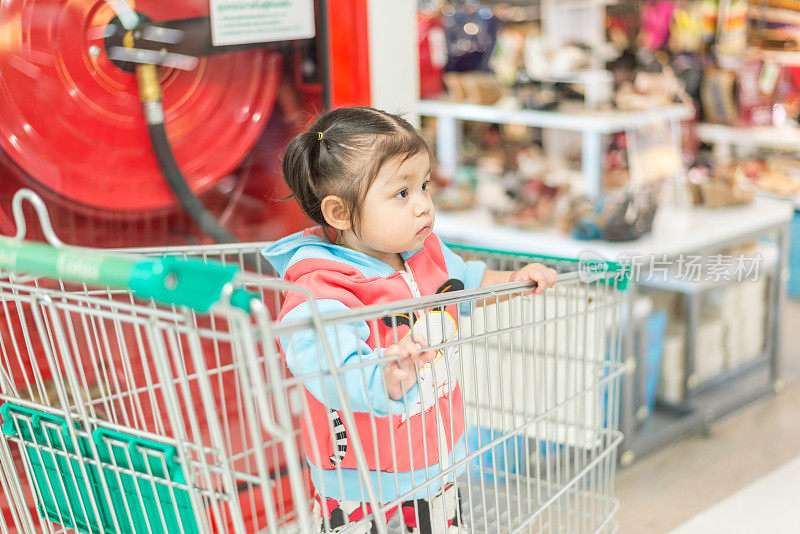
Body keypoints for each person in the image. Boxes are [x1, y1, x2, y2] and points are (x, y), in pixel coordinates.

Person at [263, 107, 557, 533]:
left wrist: (513, 280)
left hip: (434, 460)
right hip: (359, 481)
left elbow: (466, 283)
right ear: (340, 214)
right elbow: (323, 365)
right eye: (402, 194)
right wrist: (383, 375)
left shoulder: (424, 252)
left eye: (423, 185)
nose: (423, 205)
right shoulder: (323, 288)